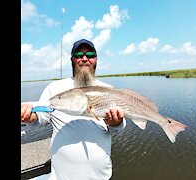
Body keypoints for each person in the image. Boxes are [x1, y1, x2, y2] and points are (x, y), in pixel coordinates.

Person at [21, 39, 126, 180]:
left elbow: (117, 130)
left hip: (101, 176)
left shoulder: (108, 90)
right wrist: (30, 117)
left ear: (96, 60)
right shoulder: (55, 88)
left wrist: (116, 123)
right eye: (78, 55)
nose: (84, 59)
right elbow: (40, 117)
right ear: (72, 59)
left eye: (90, 55)